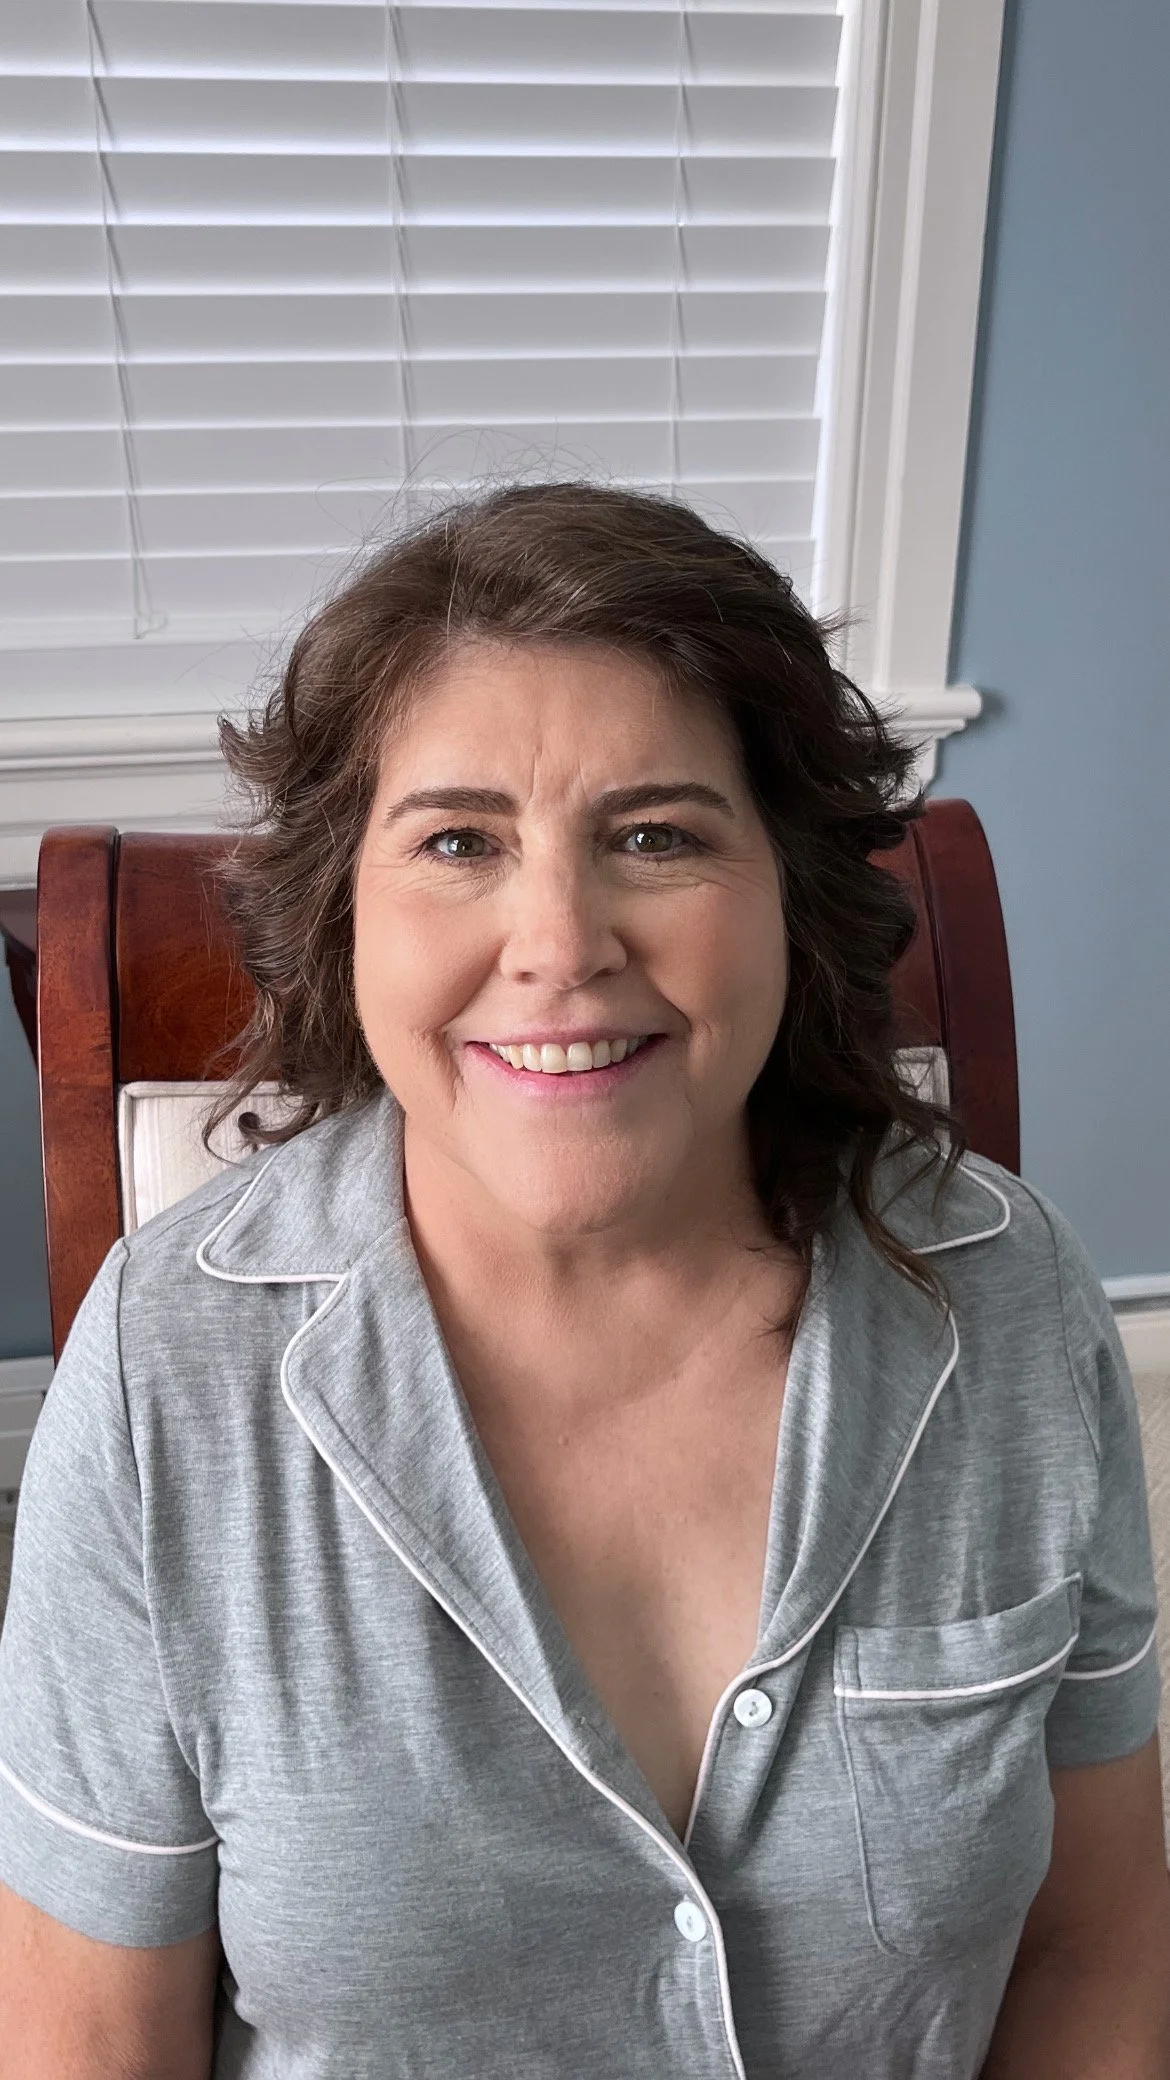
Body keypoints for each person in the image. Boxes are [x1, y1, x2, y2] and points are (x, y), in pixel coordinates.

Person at [0, 483, 1166, 2079]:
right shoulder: (160, 1380)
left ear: (788, 893)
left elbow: (1095, 1939)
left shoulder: (1010, 1296)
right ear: (345, 913)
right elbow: (83, 2043)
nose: (559, 942)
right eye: (458, 842)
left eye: (655, 835)